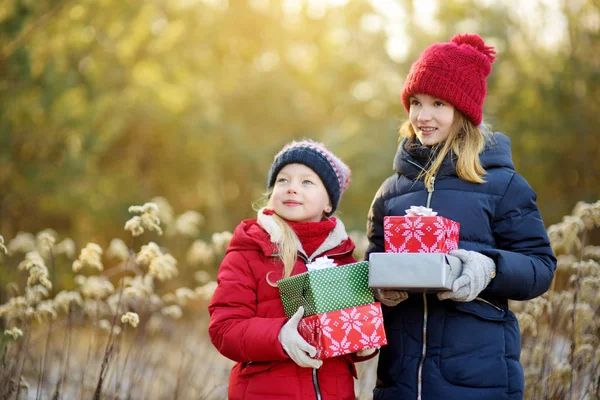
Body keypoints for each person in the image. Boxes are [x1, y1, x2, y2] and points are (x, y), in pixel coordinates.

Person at [365, 33, 557, 400]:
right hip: (401, 385)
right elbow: (370, 265)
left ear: (463, 110)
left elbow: (541, 267)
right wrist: (379, 287)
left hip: (477, 383)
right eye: (416, 102)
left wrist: (488, 267)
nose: (423, 116)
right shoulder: (392, 191)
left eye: (438, 103)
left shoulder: (501, 184)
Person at [209, 140, 377, 400]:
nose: (292, 189)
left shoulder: (344, 259)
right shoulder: (250, 249)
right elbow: (224, 329)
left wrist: (364, 338)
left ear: (328, 204)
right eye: (283, 180)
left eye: (306, 182)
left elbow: (348, 339)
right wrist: (280, 336)